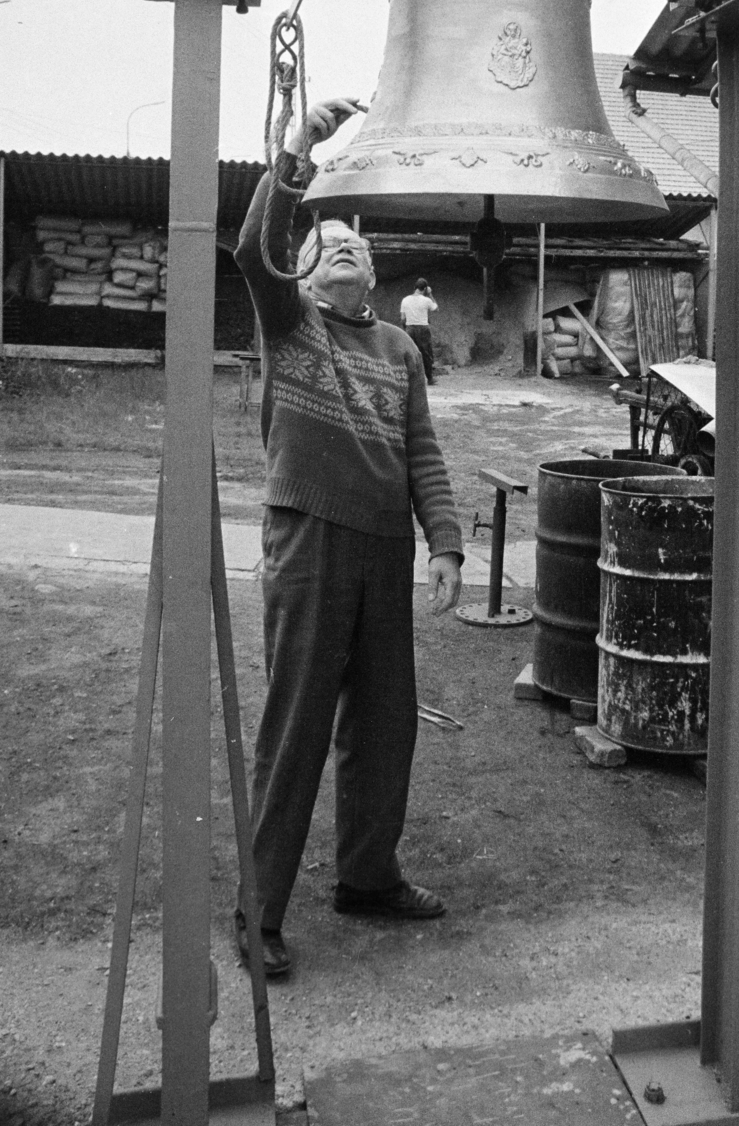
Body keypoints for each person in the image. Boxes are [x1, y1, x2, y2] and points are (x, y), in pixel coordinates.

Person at [233, 97, 464, 978]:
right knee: (294, 730)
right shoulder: (290, 324)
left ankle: (367, 878)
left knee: (384, 724)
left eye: (357, 245)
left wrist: (442, 541)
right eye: (325, 244)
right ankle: (257, 913)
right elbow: (253, 250)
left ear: (375, 273)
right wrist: (297, 153)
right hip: (310, 541)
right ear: (302, 270)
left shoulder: (402, 349)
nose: (343, 248)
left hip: (382, 550)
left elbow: (423, 451)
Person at [399, 278, 438, 384]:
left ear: (415, 288)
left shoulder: (405, 299)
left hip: (409, 328)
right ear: (425, 289)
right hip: (423, 328)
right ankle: (429, 378)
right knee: (426, 353)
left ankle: (409, 379)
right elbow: (436, 308)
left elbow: (403, 318)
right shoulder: (426, 300)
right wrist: (430, 294)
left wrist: (406, 329)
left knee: (410, 353)